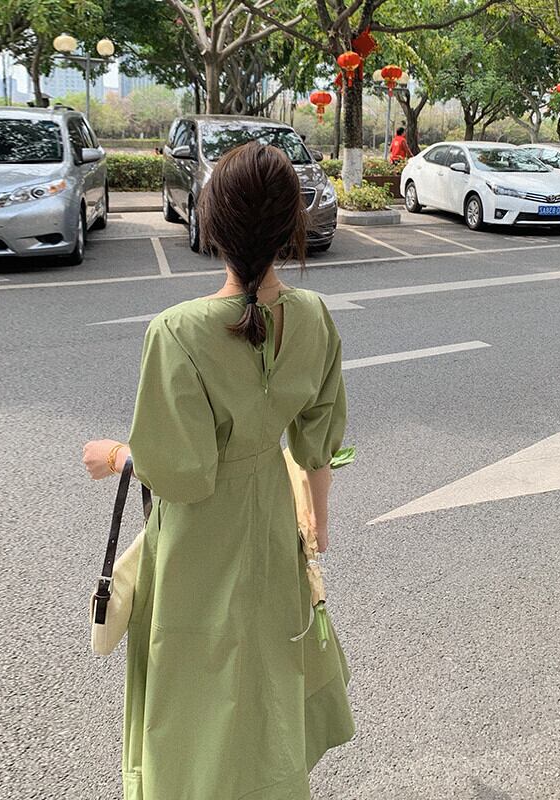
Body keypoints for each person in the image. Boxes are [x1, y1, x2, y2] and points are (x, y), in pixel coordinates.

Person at [82, 140, 355, 800]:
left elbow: (182, 473)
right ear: (291, 227)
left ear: (210, 223)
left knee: (192, 688)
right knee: (267, 670)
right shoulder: (314, 316)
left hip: (198, 542)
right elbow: (317, 444)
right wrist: (316, 527)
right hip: (273, 524)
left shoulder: (177, 331)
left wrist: (114, 456)